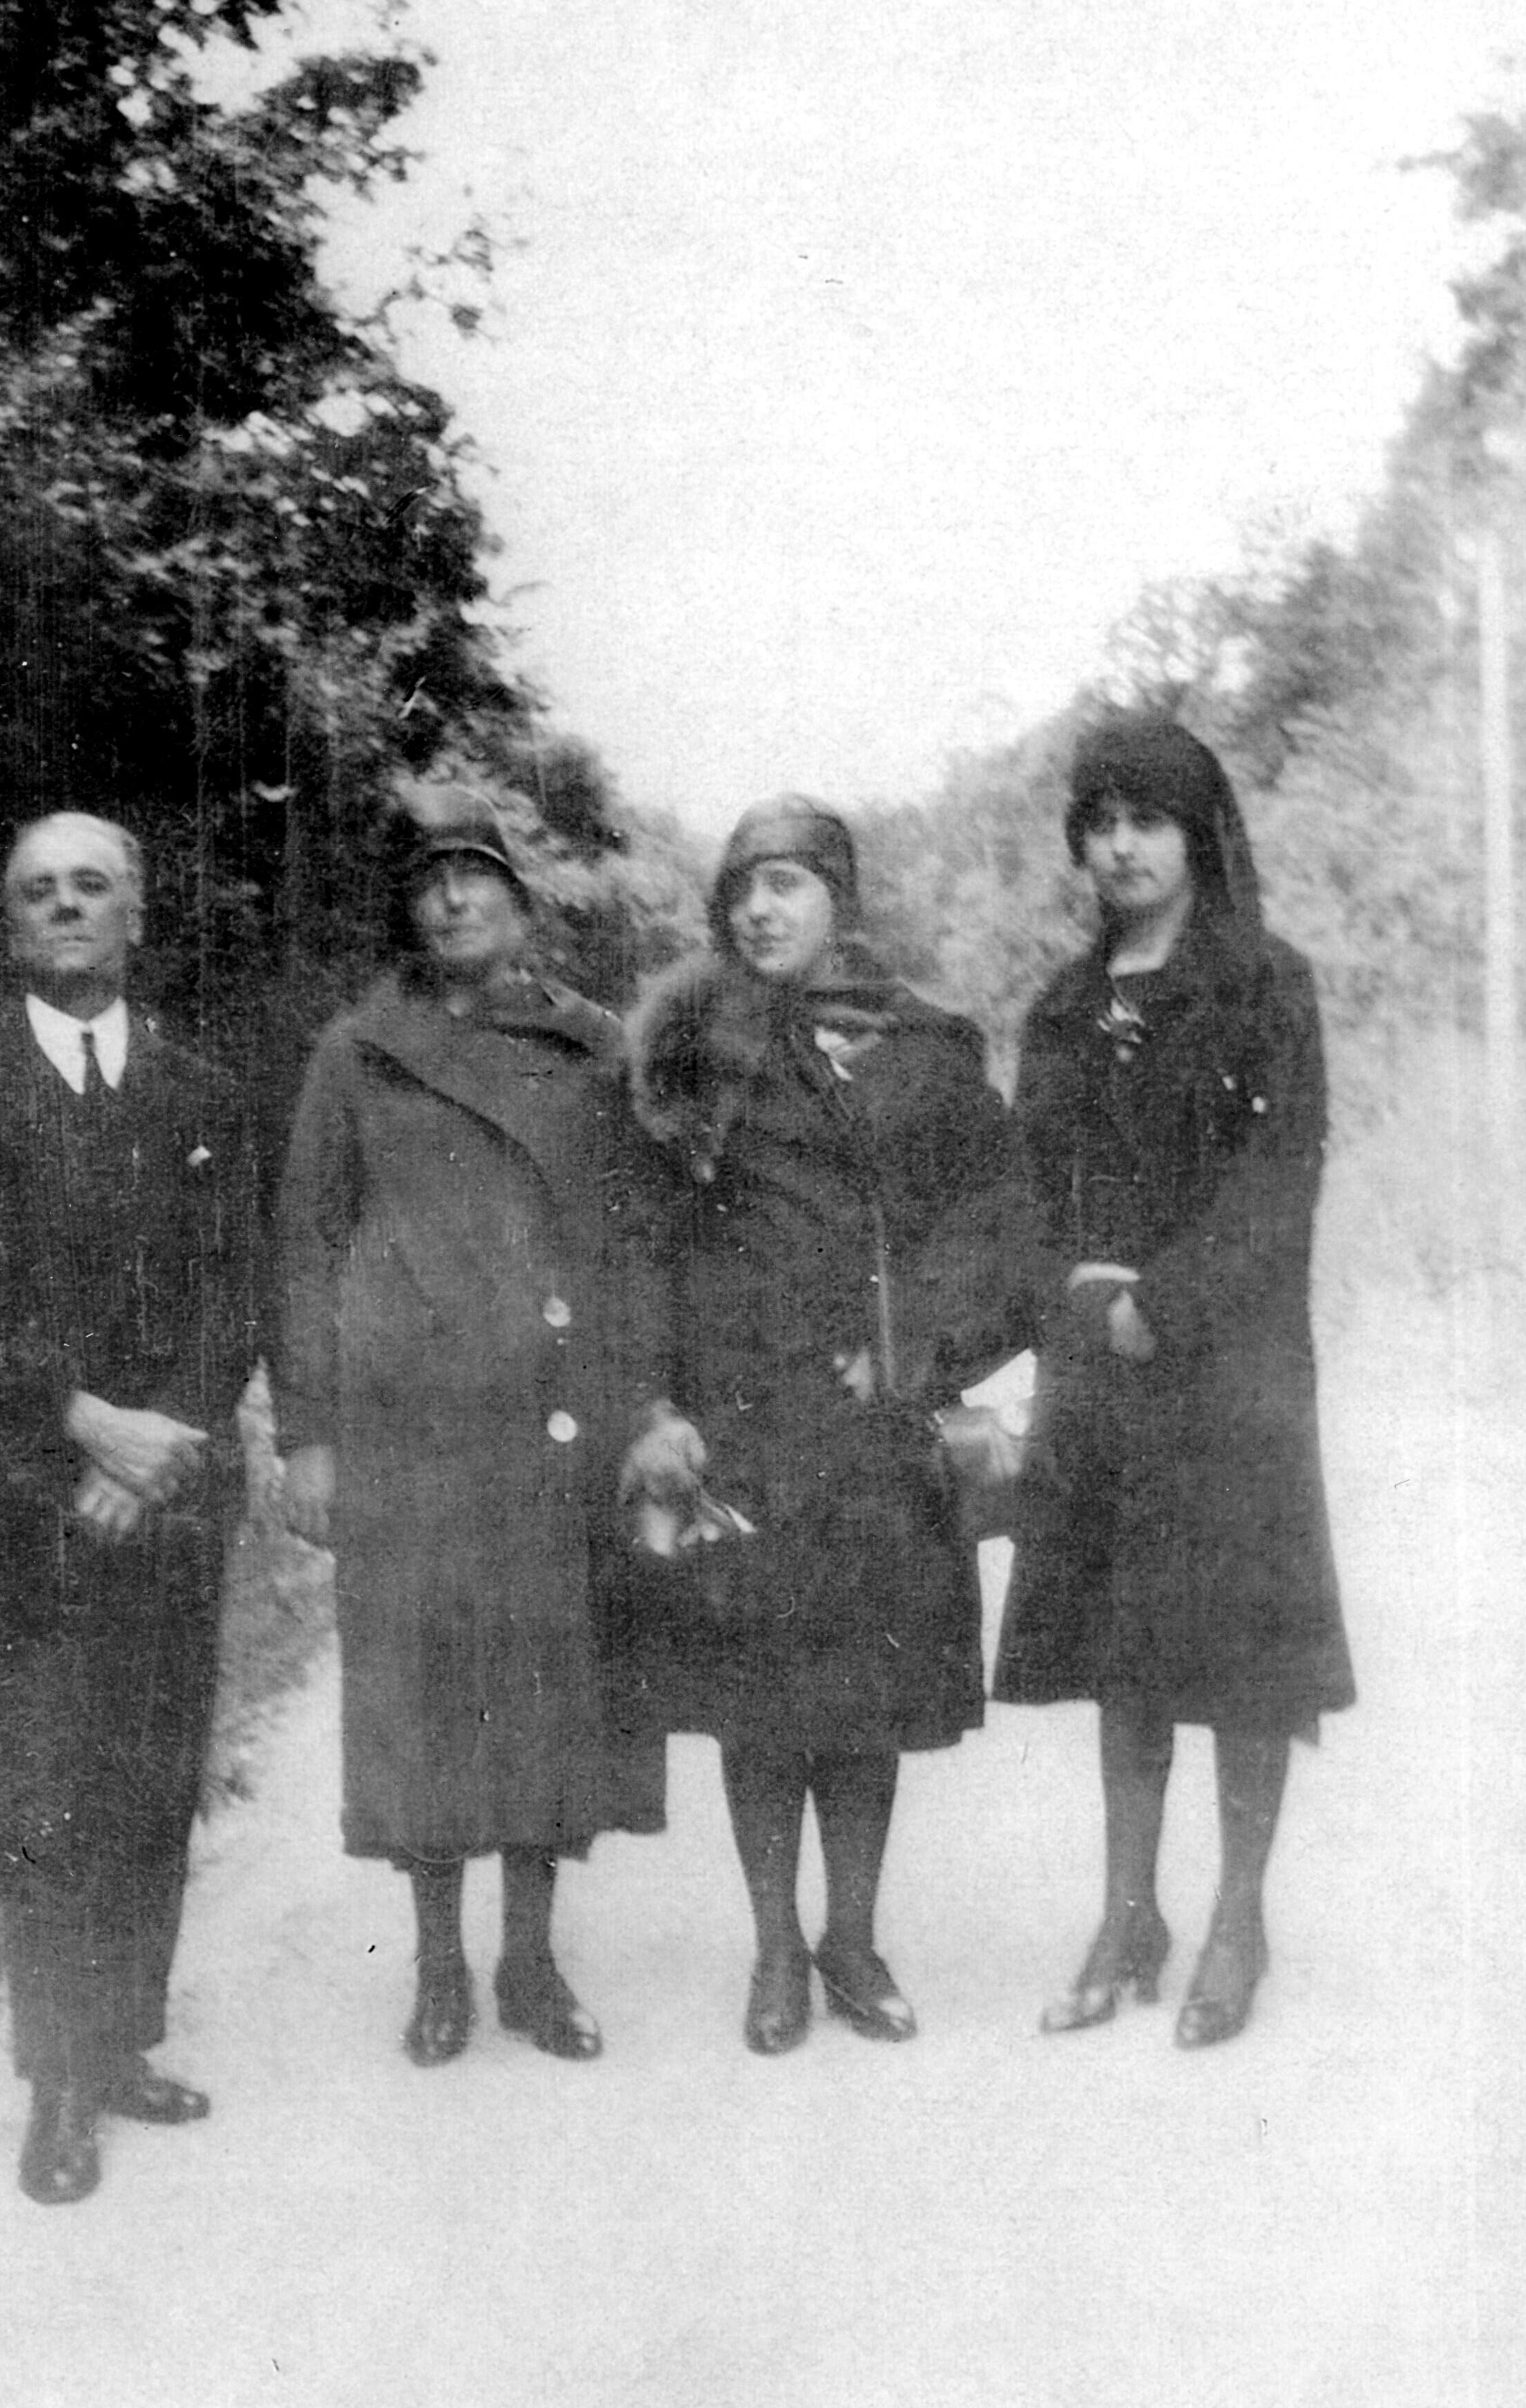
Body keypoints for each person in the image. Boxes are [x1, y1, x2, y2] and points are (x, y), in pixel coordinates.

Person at [625, 796, 1032, 2055]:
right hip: (742, 1418)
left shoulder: (924, 1049)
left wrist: (914, 1347)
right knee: (757, 1702)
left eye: (788, 884)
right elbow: (639, 1241)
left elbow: (1001, 1225)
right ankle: (774, 1951)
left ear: (839, 902)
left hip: (875, 1431)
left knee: (865, 1694)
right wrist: (654, 1405)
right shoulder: (687, 1050)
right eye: (743, 889)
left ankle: (851, 1940)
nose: (760, 910)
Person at [276, 802, 671, 2068]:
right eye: (431, 881)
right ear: (409, 908)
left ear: (520, 901)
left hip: (551, 1416)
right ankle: (439, 1967)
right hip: (410, 1423)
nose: (453, 900)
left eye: (477, 877)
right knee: (426, 1697)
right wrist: (308, 1436)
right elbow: (305, 1246)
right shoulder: (358, 1051)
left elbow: (631, 1239)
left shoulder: (590, 1045)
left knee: (549, 1695)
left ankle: (532, 1964)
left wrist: (644, 1404)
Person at [993, 712, 1353, 2048]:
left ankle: (1239, 1920)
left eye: (1146, 819)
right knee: (1124, 1648)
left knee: (1245, 1658)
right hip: (1100, 1365)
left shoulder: (1267, 985)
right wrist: (1070, 1298)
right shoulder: (1062, 1007)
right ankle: (1127, 1916)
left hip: (1230, 1367)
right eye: (1098, 824)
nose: (1120, 847)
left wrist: (1167, 1301)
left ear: (1199, 834)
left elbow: (1280, 1178)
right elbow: (1028, 1187)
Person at [0, 813, 258, 2205]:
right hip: (26, 1489)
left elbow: (237, 1287)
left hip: (173, 1487)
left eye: (91, 886)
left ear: (136, 913)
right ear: (11, 926)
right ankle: (58, 2086)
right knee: (50, 1783)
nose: (66, 907)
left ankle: (123, 2040)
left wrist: (163, 1440)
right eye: (39, 892)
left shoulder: (202, 1091)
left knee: (153, 1767)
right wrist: (87, 1425)